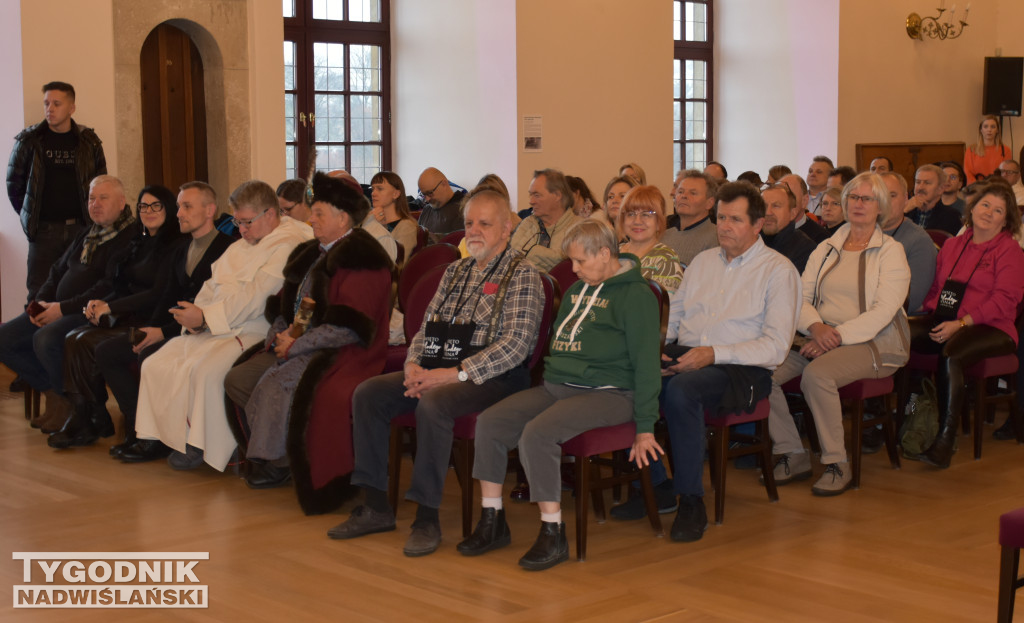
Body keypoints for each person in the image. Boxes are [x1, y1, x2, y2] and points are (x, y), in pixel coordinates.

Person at [327, 189, 542, 557]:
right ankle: (377, 506)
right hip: (438, 363)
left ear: (507, 228)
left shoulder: (523, 275)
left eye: (485, 224)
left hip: (495, 376)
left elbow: (515, 346)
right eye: (469, 223)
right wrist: (413, 363)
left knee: (434, 405)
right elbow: (427, 328)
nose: (474, 231)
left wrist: (454, 374)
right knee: (369, 393)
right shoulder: (455, 272)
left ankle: (427, 518)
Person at [459, 219, 661, 570]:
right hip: (558, 387)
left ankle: (553, 533)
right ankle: (493, 521)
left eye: (581, 261)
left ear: (604, 253)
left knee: (538, 434)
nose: (575, 269)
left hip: (611, 394)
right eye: (572, 263)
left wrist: (645, 427)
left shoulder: (636, 295)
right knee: (491, 423)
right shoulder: (576, 290)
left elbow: (647, 365)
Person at [125, 180, 312, 470]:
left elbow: (258, 296)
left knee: (206, 371)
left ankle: (203, 445)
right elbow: (212, 284)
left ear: (270, 214)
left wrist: (205, 318)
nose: (242, 230)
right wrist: (197, 316)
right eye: (238, 222)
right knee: (158, 362)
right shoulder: (241, 245)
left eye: (248, 222)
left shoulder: (288, 244)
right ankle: (167, 437)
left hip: (252, 331)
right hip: (216, 326)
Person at [223, 172, 393, 490]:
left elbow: (349, 326)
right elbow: (282, 301)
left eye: (318, 213)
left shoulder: (363, 257)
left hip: (342, 352)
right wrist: (279, 330)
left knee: (276, 384)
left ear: (343, 219)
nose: (309, 219)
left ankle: (280, 461)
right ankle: (284, 452)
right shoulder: (311, 251)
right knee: (239, 379)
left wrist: (296, 345)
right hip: (299, 341)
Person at [657, 181, 800, 541]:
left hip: (743, 370)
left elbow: (776, 347)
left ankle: (691, 500)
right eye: (721, 217)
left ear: (757, 224)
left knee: (681, 390)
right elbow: (674, 316)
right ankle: (657, 485)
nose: (724, 226)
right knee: (634, 375)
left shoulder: (778, 271)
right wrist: (655, 346)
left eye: (735, 219)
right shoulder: (704, 262)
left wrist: (714, 354)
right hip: (695, 352)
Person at [767, 172, 911, 496]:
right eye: (853, 198)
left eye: (867, 199)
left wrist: (835, 337)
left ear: (881, 206)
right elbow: (800, 298)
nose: (859, 204)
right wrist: (816, 328)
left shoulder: (891, 252)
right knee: (763, 374)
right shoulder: (827, 248)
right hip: (819, 336)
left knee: (817, 375)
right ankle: (793, 452)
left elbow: (883, 311)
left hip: (875, 341)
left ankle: (837, 463)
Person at [101, 181, 233, 459]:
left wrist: (162, 332)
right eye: (179, 207)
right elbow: (164, 295)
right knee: (106, 352)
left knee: (149, 354)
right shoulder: (180, 249)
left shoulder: (227, 249)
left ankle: (154, 439)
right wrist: (150, 328)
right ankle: (138, 428)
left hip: (203, 331)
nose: (179, 214)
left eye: (187, 206)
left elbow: (214, 306)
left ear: (210, 210)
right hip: (171, 327)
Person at [53, 184, 186, 448]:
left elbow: (157, 293)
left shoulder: (176, 245)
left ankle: (129, 423)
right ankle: (88, 415)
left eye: (156, 205)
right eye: (144, 206)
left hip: (153, 318)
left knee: (91, 343)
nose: (148, 211)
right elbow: (120, 285)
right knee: (73, 338)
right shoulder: (140, 241)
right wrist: (101, 302)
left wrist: (111, 308)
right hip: (129, 315)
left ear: (169, 209)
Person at [0, 175, 135, 431]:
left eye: (103, 198)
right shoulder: (88, 232)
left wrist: (60, 309)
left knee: (45, 339)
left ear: (121, 202)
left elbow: (107, 286)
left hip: (89, 311)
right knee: (4, 338)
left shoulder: (128, 237)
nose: (95, 204)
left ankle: (75, 405)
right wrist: (40, 303)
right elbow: (57, 270)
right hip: (56, 307)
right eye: (91, 198)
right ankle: (55, 394)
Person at [908, 183, 1024, 468]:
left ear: (1006, 219)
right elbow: (937, 287)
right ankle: (909, 413)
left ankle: (945, 441)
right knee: (900, 335)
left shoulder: (1010, 250)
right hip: (948, 319)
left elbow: (1005, 301)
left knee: (951, 353)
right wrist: (931, 315)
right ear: (973, 208)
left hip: (993, 327)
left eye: (998, 210)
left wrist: (961, 322)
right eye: (985, 205)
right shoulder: (953, 244)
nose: (989, 213)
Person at [7, 81, 107, 303]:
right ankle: (35, 337)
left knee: (80, 291)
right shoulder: (29, 141)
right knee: (38, 294)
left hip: (81, 230)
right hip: (44, 232)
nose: (49, 109)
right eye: (46, 103)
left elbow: (101, 182)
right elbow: (14, 186)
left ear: (71, 108)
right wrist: (31, 217)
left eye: (56, 103)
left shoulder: (88, 141)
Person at [879, 172, 937, 314]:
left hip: (894, 321)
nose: (885, 202)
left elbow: (912, 300)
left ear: (905, 199)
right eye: (879, 196)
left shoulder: (919, 242)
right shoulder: (861, 233)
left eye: (892, 196)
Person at [509, 168, 582, 272]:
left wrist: (529, 250)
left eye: (537, 195)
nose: (531, 201)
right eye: (531, 195)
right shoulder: (528, 223)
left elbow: (564, 265)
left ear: (557, 195)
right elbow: (511, 259)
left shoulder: (580, 228)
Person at [617, 185, 684, 294]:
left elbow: (660, 307)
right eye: (631, 214)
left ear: (659, 222)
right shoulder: (612, 253)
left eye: (646, 214)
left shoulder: (666, 259)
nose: (637, 221)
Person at [660, 169, 719, 267]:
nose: (684, 196)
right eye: (681, 191)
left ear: (709, 203)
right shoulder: (664, 235)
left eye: (693, 193)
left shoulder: (716, 238)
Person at [760, 183, 816, 273]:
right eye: (763, 206)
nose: (768, 212)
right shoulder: (749, 242)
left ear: (792, 213)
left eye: (776, 206)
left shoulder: (805, 249)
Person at [369, 171, 417, 259]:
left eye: (379, 189)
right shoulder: (370, 219)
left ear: (395, 194)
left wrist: (379, 228)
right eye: (372, 189)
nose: (373, 193)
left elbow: (394, 262)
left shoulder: (407, 227)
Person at [905, 164, 962, 235]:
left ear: (940, 189)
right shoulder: (905, 211)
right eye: (918, 182)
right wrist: (904, 212)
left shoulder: (951, 216)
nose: (920, 187)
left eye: (927, 183)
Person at [416, 167, 465, 237]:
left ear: (444, 184)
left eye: (430, 193)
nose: (427, 199)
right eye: (424, 194)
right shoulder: (426, 210)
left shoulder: (462, 210)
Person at [779, 174, 828, 243]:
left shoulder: (820, 237)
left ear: (804, 201)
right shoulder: (767, 230)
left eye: (789, 195)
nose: (781, 201)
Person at [964, 115, 1009, 183]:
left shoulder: (1005, 150)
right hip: (976, 188)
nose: (989, 130)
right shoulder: (971, 150)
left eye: (993, 127)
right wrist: (978, 187)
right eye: (986, 126)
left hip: (997, 188)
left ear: (997, 130)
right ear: (981, 130)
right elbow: (968, 173)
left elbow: (1006, 174)